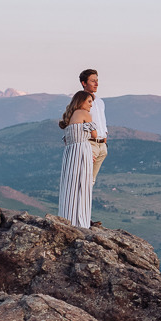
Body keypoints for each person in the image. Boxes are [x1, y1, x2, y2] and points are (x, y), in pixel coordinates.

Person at [57, 90, 97, 227]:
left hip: (70, 153)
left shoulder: (69, 118)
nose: (91, 105)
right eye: (89, 101)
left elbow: (68, 141)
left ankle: (68, 216)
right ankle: (81, 221)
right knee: (82, 185)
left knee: (70, 186)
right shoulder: (85, 114)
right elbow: (95, 134)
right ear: (81, 101)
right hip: (82, 150)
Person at [79, 68, 107, 183]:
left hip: (102, 146)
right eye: (92, 81)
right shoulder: (81, 101)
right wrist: (85, 148)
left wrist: (105, 142)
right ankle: (80, 201)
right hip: (90, 144)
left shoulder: (100, 102)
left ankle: (86, 201)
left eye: (97, 80)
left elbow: (102, 122)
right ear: (84, 83)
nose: (96, 84)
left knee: (92, 181)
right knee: (84, 180)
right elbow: (78, 124)